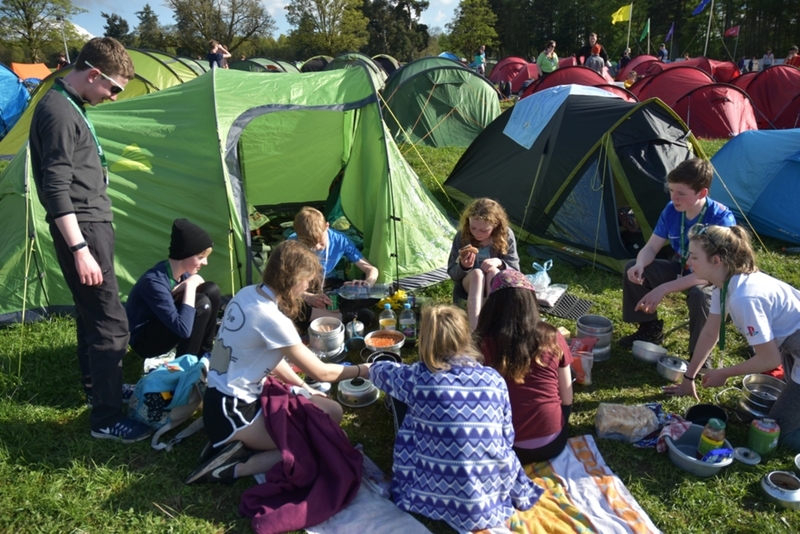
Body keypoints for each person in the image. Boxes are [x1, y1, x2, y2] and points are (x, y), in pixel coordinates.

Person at [29, 37, 150, 443]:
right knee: (112, 324)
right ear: (94, 74)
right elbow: (55, 186)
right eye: (113, 88)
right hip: (83, 230)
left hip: (91, 225)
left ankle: (100, 389)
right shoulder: (59, 112)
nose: (113, 96)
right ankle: (106, 418)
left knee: (90, 314)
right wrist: (80, 249)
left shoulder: (69, 104)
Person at [185, 240, 371, 483]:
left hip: (219, 399)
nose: (308, 286)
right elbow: (322, 373)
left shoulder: (247, 293)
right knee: (320, 438)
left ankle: (237, 445)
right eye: (307, 281)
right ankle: (231, 467)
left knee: (332, 412)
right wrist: (366, 369)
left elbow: (266, 356)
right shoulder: (273, 320)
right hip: (234, 413)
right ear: (295, 280)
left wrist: (303, 387)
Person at [369, 304, 543, 532]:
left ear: (426, 340)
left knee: (403, 400)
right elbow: (507, 436)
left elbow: (378, 371)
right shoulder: (494, 379)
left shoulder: (417, 377)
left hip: (430, 492)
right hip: (490, 493)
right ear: (465, 336)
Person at [664, 225, 800, 453]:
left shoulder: (744, 298)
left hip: (792, 349)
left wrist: (724, 373)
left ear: (716, 260)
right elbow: (710, 332)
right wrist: (689, 377)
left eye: (694, 257)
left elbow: (769, 360)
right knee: (776, 419)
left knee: (781, 435)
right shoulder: (725, 285)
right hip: (792, 349)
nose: (688, 262)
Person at [618, 158, 736, 356]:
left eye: (681, 193)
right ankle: (649, 330)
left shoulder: (720, 219)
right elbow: (652, 247)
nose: (674, 198)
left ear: (702, 193)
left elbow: (711, 273)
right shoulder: (672, 210)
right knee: (634, 268)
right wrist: (639, 264)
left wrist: (663, 289)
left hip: (712, 277)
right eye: (671, 190)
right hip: (682, 266)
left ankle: (699, 353)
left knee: (700, 295)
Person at [476, 269, 573, 463]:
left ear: (492, 305)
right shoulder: (552, 336)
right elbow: (567, 398)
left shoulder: (481, 343)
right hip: (553, 442)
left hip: (506, 445)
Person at [126, 218, 221, 359]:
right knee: (201, 302)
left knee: (211, 290)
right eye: (201, 257)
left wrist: (192, 280)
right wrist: (190, 285)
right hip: (145, 342)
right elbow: (183, 329)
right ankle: (185, 363)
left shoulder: (183, 274)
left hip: (166, 326)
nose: (205, 262)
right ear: (185, 254)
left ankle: (204, 355)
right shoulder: (154, 282)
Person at [289, 207, 378, 318]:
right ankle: (340, 315)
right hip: (302, 287)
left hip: (329, 284)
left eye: (320, 242)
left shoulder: (339, 240)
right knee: (289, 302)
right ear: (298, 235)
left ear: (327, 226)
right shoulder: (291, 245)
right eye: (309, 243)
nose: (317, 247)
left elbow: (371, 269)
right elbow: (284, 284)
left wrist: (367, 284)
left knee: (373, 296)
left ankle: (323, 314)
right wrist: (308, 296)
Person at [447, 198, 519, 330]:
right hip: (469, 285)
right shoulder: (462, 236)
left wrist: (499, 262)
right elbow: (452, 273)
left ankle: (493, 324)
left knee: (493, 271)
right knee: (477, 273)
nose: (477, 233)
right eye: (473, 227)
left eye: (483, 230)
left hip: (495, 285)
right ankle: (475, 329)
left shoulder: (506, 235)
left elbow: (515, 272)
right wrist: (463, 266)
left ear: (495, 225)